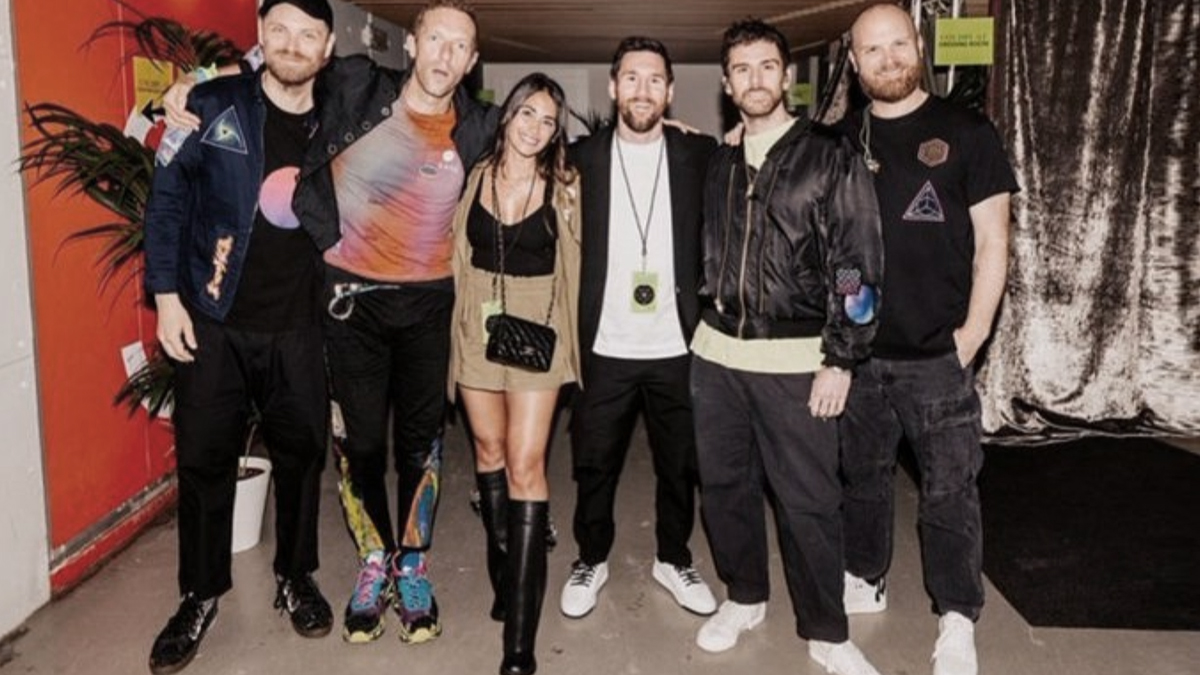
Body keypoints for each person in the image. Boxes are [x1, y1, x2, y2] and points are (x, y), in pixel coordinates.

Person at [164, 0, 500, 646]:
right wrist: (197, 81)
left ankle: (412, 565)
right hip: (351, 306)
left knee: (421, 446)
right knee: (359, 443)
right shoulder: (355, 84)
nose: (445, 55)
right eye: (435, 39)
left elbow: (544, 141)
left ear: (472, 61)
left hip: (430, 306)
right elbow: (282, 61)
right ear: (412, 45)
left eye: (460, 46)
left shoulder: (479, 124)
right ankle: (373, 559)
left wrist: (675, 136)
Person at [143, 1, 336, 672]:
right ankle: (199, 595)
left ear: (327, 47)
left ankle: (296, 575)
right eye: (279, 30)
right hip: (213, 321)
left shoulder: (342, 115)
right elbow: (167, 199)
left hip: (301, 324)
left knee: (303, 457)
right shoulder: (209, 105)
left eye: (308, 34)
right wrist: (166, 297)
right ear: (260, 36)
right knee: (203, 459)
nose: (292, 44)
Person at [690, 18, 885, 675]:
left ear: (787, 76)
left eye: (767, 66)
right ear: (726, 83)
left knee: (809, 501)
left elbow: (855, 265)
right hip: (717, 358)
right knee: (725, 490)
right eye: (741, 69)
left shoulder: (830, 155)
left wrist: (842, 357)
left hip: (797, 362)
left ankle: (826, 631)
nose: (755, 79)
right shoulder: (720, 161)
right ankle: (744, 596)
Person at [837, 5, 1018, 675]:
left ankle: (957, 615)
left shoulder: (968, 131)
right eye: (872, 50)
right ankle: (865, 575)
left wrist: (972, 335)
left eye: (897, 44)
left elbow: (994, 241)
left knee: (948, 491)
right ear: (853, 63)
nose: (887, 59)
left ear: (918, 45)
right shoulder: (839, 140)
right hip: (859, 358)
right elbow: (829, 242)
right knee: (862, 479)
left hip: (940, 356)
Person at [558, 36, 718, 620]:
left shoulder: (699, 154)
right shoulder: (578, 159)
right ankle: (591, 557)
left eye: (654, 80)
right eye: (631, 78)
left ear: (669, 92)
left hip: (678, 343)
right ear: (613, 87)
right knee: (594, 460)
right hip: (604, 343)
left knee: (681, 463)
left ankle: (673, 557)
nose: (642, 90)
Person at [449, 72, 581, 675]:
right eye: (528, 113)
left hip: (540, 326)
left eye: (548, 121)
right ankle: (506, 575)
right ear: (507, 115)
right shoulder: (473, 173)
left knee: (527, 465)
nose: (535, 128)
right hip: (478, 321)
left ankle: (519, 646)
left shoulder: (569, 185)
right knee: (489, 449)